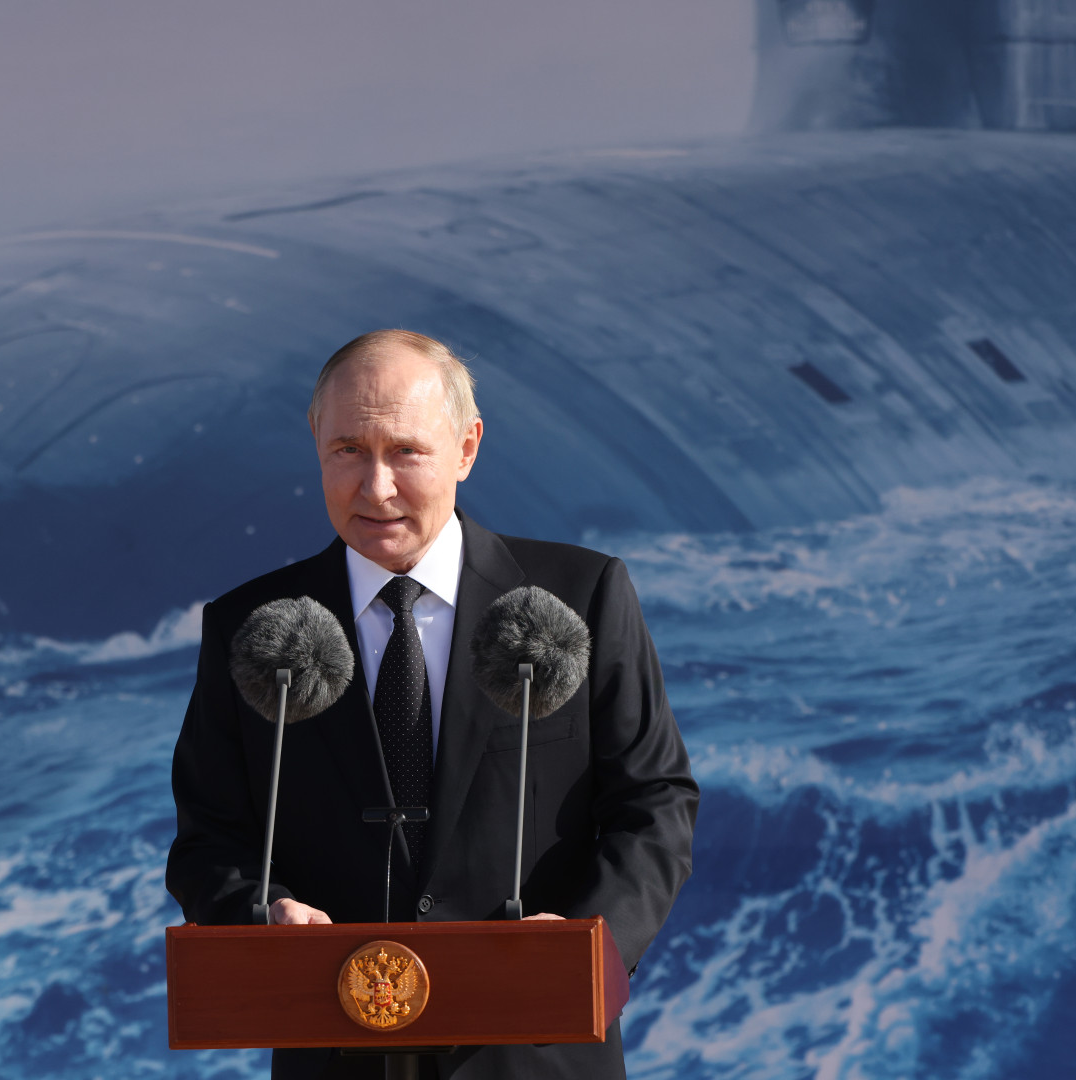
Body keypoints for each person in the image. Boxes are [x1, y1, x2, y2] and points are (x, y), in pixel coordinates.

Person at [166, 329, 699, 1079]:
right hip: (336, 1052)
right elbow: (208, 839)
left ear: (466, 448)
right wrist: (262, 911)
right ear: (316, 442)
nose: (376, 487)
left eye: (406, 452)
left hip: (533, 1050)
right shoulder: (249, 625)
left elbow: (654, 801)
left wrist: (585, 938)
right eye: (348, 450)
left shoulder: (582, 595)